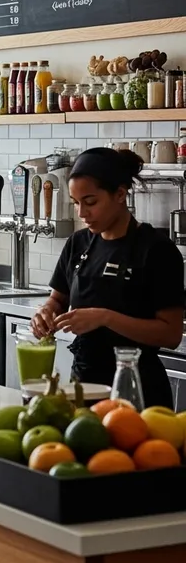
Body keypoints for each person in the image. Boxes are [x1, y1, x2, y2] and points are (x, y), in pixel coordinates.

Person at [31, 148, 183, 408]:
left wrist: (105, 318)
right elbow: (58, 298)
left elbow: (170, 333)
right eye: (76, 202)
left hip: (136, 388)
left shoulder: (156, 250)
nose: (81, 213)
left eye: (90, 202)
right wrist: (45, 312)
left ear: (120, 195)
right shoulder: (78, 243)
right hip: (84, 385)